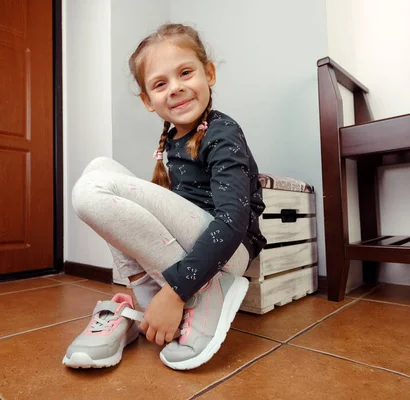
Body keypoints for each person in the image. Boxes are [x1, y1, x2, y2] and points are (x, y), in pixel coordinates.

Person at [62, 23, 267, 371]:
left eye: (185, 72)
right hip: (197, 247)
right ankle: (146, 302)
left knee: (89, 191)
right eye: (160, 83)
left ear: (209, 73)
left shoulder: (222, 132)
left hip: (230, 251)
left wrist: (175, 292)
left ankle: (193, 295)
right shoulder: (173, 141)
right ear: (147, 100)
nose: (176, 88)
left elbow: (232, 221)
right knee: (99, 166)